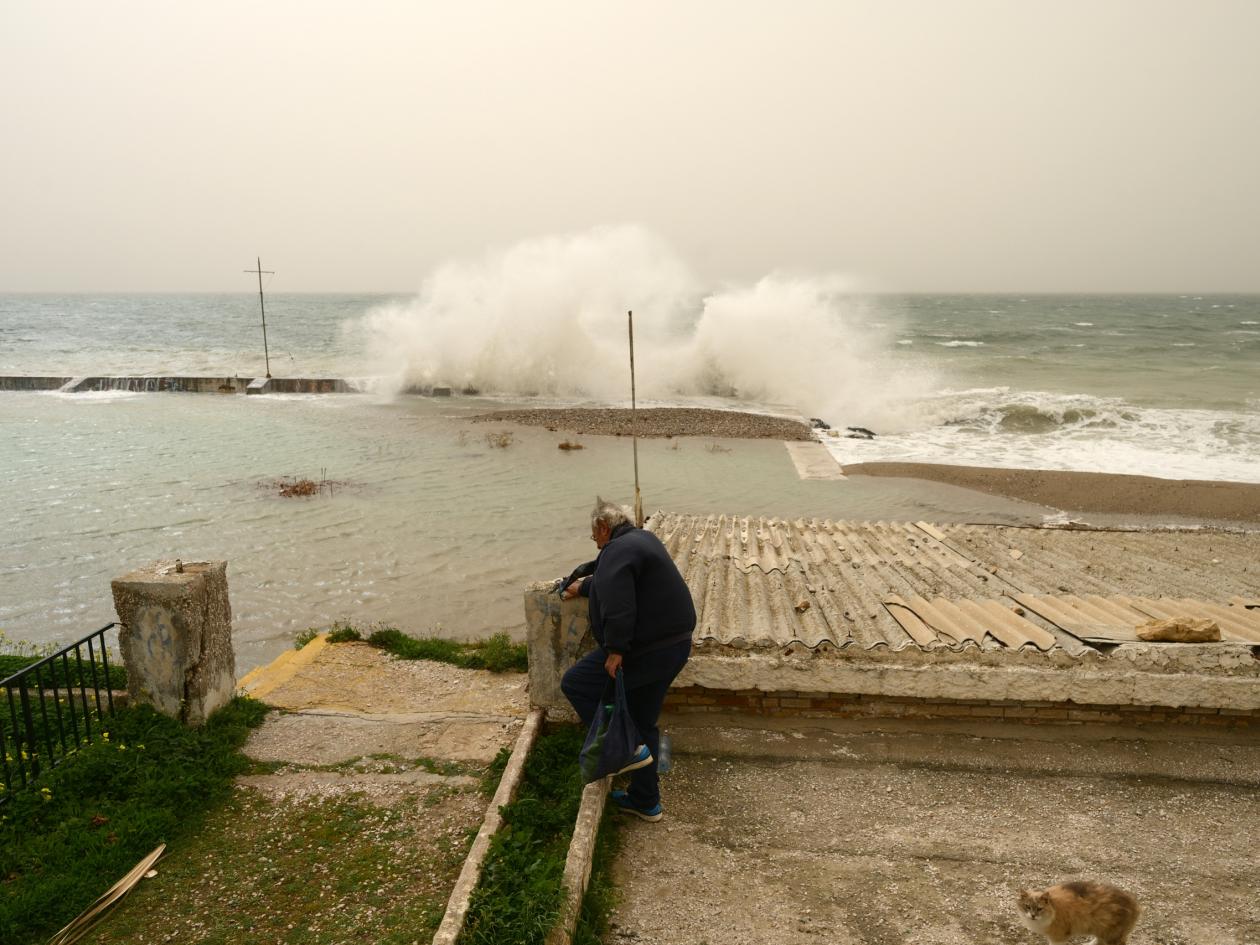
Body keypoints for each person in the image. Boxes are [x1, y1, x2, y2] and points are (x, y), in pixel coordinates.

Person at [559, 497, 695, 822]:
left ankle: (626, 749)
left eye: (595, 537)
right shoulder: (641, 539)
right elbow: (617, 582)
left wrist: (616, 649)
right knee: (643, 721)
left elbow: (619, 603)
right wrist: (584, 587)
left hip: (645, 651)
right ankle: (646, 801)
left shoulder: (615, 551)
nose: (596, 544)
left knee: (576, 684)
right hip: (674, 647)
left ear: (604, 528)